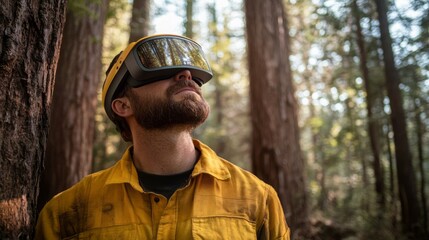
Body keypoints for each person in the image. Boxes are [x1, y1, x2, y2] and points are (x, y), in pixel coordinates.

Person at [35, 34, 290, 239]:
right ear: (123, 106)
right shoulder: (67, 213)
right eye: (160, 68)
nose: (186, 75)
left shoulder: (258, 197)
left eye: (191, 71)